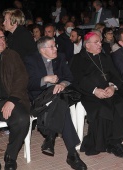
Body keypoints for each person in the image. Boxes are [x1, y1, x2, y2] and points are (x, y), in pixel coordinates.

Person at [24, 36, 87, 170]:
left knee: (59, 99)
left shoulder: (60, 57)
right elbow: (28, 84)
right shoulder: (30, 59)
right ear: (42, 50)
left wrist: (62, 84)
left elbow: (70, 77)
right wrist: (45, 79)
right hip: (41, 96)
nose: (55, 49)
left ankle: (50, 136)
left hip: (61, 93)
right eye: (52, 46)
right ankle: (72, 153)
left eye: (55, 46)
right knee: (62, 108)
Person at [70, 32, 123, 158]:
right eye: (96, 42)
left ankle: (114, 142)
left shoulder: (105, 57)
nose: (100, 44)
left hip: (108, 90)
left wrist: (113, 87)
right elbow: (78, 80)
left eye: (100, 42)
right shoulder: (78, 59)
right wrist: (94, 90)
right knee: (102, 109)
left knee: (120, 104)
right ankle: (103, 143)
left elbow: (116, 75)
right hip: (89, 93)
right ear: (87, 45)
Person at [0, 28, 30, 170]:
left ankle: (10, 156)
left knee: (23, 119)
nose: (1, 40)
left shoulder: (12, 55)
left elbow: (22, 78)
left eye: (2, 37)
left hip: (11, 99)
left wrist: (12, 100)